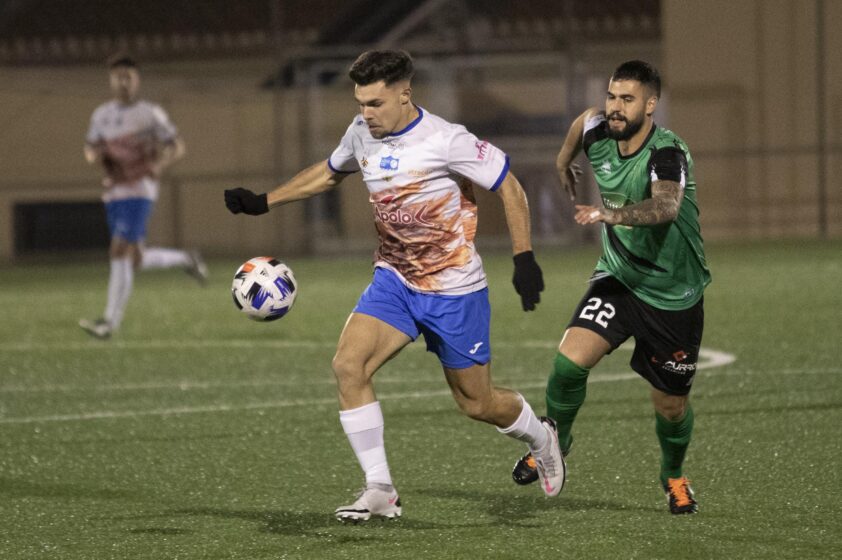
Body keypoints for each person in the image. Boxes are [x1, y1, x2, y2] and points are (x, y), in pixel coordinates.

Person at [224, 50, 564, 522]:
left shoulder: (447, 140)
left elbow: (509, 186)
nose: (366, 113)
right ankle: (380, 489)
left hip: (453, 290)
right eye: (361, 102)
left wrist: (524, 257)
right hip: (395, 281)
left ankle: (542, 436)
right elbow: (328, 173)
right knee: (348, 365)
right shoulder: (361, 132)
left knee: (476, 403)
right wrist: (264, 201)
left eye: (376, 103)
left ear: (405, 94)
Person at [511, 60, 711, 515]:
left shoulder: (667, 154)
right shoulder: (596, 127)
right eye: (612, 97)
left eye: (628, 99)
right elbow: (579, 128)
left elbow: (665, 207)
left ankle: (673, 475)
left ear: (651, 104)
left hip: (671, 297)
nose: (615, 108)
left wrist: (611, 215)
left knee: (671, 408)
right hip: (619, 279)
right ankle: (556, 441)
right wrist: (563, 164)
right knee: (567, 365)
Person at [79, 54, 207, 339]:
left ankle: (109, 323)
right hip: (113, 190)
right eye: (118, 77)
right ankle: (186, 259)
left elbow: (177, 146)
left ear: (137, 81)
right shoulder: (101, 115)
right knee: (134, 258)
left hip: (140, 190)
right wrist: (96, 155)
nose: (123, 82)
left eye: (129, 77)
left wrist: (159, 165)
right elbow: (90, 148)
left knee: (118, 250)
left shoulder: (150, 113)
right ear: (111, 80)